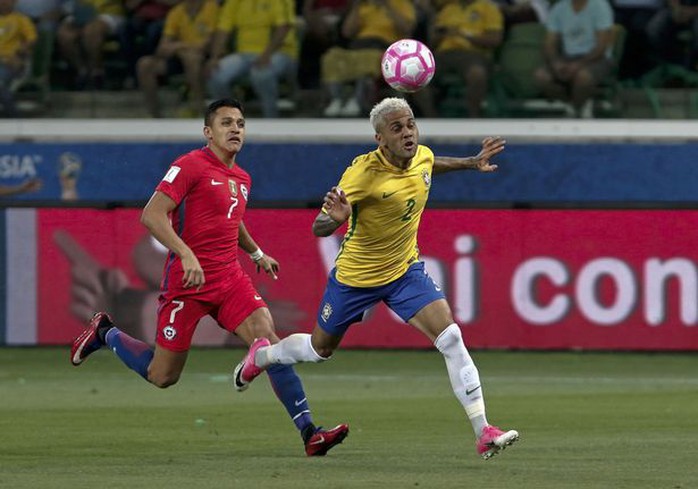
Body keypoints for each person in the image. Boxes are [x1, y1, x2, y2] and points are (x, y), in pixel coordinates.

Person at [233, 96, 519, 460]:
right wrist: (334, 218)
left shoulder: (422, 156)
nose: (407, 133)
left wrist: (470, 162)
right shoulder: (362, 175)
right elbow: (319, 226)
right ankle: (266, 355)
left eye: (411, 124)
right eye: (396, 128)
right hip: (356, 277)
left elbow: (431, 165)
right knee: (320, 350)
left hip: (403, 272)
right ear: (379, 138)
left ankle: (483, 431)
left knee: (451, 337)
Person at [70, 98, 349, 457]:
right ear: (208, 132)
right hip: (186, 285)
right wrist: (186, 253)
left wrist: (256, 253)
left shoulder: (242, 177)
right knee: (163, 376)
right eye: (226, 123)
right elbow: (151, 215)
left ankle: (310, 432)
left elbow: (232, 220)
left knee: (268, 341)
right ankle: (105, 332)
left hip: (229, 278)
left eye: (241, 123)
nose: (235, 129)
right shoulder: (189, 165)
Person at [321, 0, 416, 117]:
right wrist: (356, 7)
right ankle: (336, 99)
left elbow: (406, 28)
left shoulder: (402, 4)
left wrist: (387, 6)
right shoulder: (364, 6)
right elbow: (347, 32)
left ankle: (357, 99)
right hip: (358, 45)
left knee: (369, 57)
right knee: (331, 57)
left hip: (385, 47)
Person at [411, 0, 504, 118]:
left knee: (477, 74)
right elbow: (433, 41)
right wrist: (441, 34)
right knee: (415, 75)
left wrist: (463, 35)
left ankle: (474, 117)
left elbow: (495, 39)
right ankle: (432, 117)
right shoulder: (448, 9)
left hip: (474, 53)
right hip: (444, 53)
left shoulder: (488, 8)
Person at [206, 0, 298, 118]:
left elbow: (283, 27)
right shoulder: (234, 2)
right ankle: (230, 117)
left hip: (279, 52)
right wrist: (214, 57)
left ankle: (271, 118)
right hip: (243, 54)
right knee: (215, 74)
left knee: (261, 74)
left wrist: (266, 54)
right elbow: (223, 29)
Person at [136, 0, 218, 118]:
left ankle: (200, 108)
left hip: (205, 57)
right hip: (179, 56)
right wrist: (180, 49)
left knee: (191, 59)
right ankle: (154, 114)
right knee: (144, 64)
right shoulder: (176, 12)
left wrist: (178, 46)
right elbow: (162, 47)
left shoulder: (211, 8)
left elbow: (207, 44)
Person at [533, 0, 614, 118]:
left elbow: (601, 46)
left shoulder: (600, 5)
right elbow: (549, 43)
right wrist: (556, 63)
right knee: (540, 76)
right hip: (568, 56)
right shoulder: (559, 8)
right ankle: (576, 104)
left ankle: (576, 109)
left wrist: (578, 64)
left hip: (597, 58)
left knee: (583, 77)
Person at [55, 0, 126, 89]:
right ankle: (82, 71)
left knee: (91, 31)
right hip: (81, 12)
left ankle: (96, 72)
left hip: (108, 13)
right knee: (65, 34)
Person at [0, 0, 37, 117]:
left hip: (10, 61)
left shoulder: (21, 19)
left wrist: (19, 54)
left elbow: (32, 39)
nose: (3, 3)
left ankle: (14, 117)